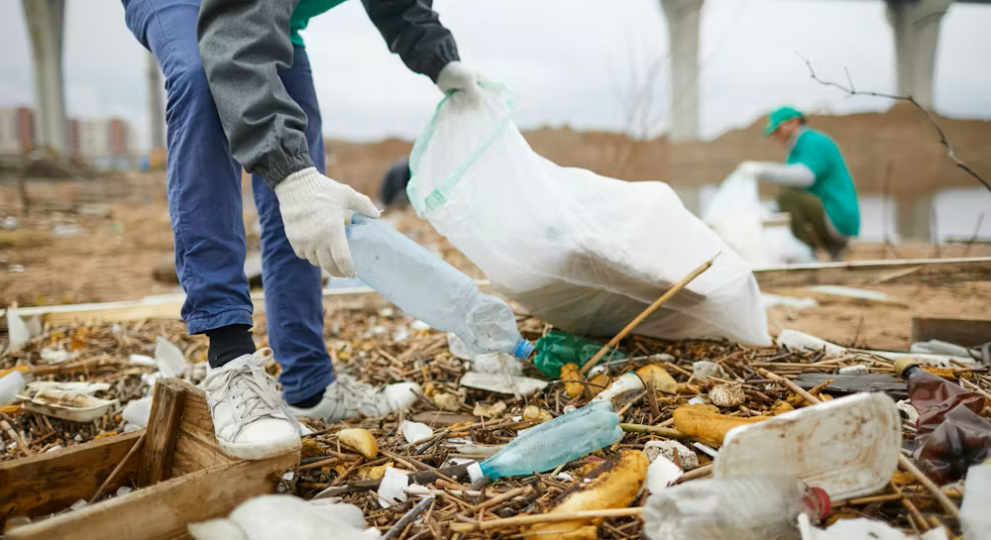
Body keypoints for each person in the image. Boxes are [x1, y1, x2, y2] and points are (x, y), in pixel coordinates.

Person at [122, 0, 480, 460]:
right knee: (202, 83)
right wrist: (288, 174)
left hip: (267, 16)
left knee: (299, 145)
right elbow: (235, 37)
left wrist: (440, 59)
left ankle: (308, 385)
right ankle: (229, 362)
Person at [739, 106, 860, 261]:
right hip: (830, 219)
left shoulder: (813, 142)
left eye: (778, 129)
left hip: (838, 220)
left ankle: (810, 252)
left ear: (794, 122)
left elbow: (805, 177)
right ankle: (820, 249)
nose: (776, 135)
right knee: (786, 198)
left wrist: (761, 170)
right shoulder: (797, 150)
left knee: (787, 196)